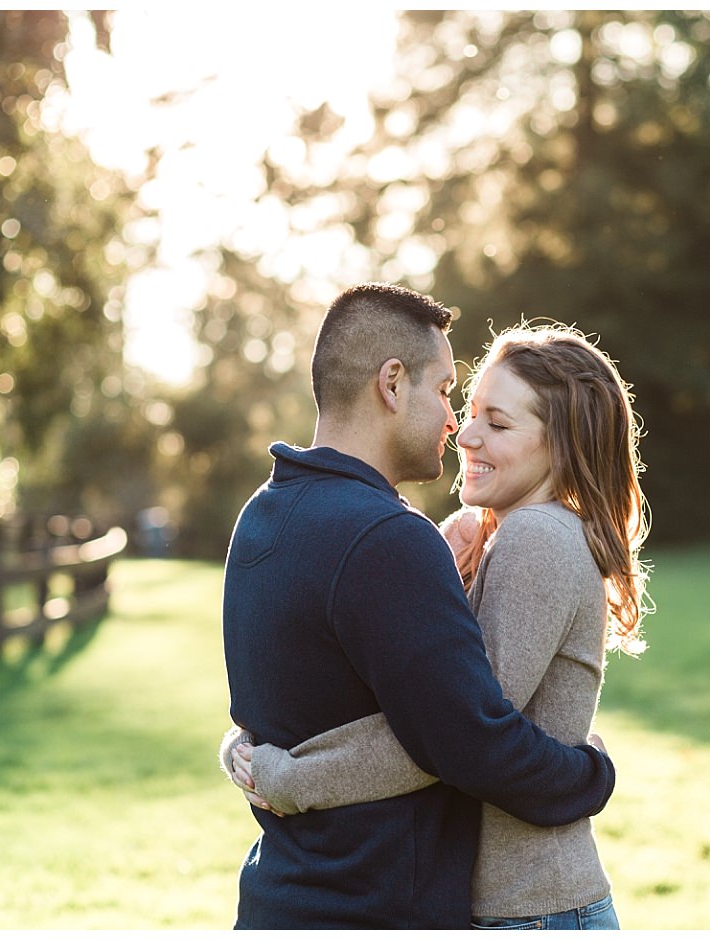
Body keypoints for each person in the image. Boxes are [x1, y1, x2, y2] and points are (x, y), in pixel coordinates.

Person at [222, 321, 651, 930]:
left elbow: (459, 735)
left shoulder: (537, 538)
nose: (465, 433)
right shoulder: (489, 535)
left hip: (531, 905)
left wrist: (289, 772)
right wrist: (251, 740)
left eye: (498, 424)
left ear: (563, 444)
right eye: (469, 408)